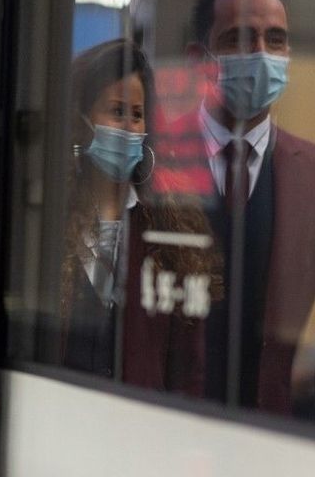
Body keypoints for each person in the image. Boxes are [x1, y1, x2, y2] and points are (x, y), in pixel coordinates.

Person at [174, 0, 315, 432]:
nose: (261, 54)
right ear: (197, 61)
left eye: (276, 40)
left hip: (272, 433)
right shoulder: (157, 157)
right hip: (164, 425)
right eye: (238, 39)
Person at [54, 38, 217, 392]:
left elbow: (188, 368)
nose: (129, 126)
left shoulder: (168, 227)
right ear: (80, 120)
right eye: (116, 111)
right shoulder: (48, 220)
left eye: (137, 114)